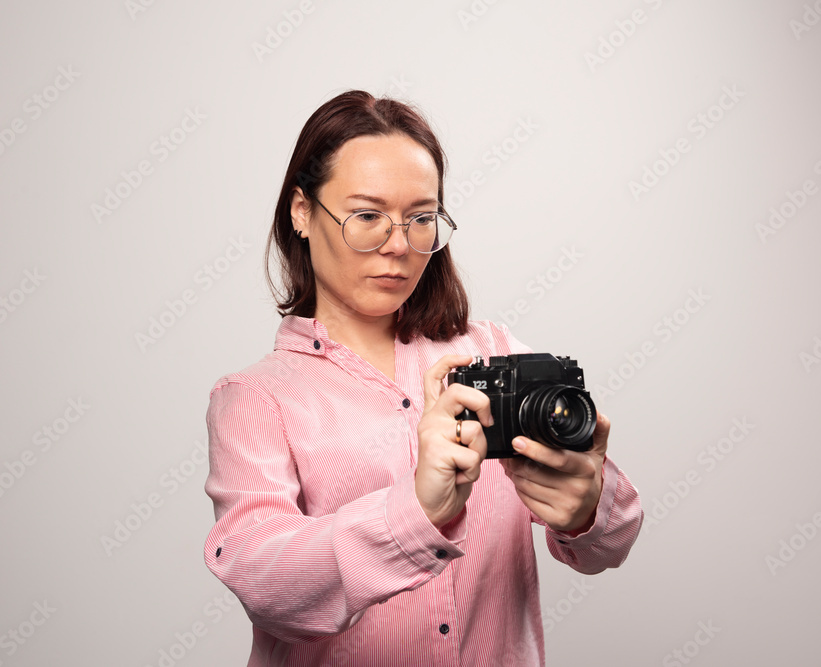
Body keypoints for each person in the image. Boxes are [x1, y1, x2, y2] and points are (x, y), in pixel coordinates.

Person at [203, 89, 643, 666]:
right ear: (302, 211)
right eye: (367, 216)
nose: (399, 246)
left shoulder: (494, 353)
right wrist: (416, 512)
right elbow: (266, 586)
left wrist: (588, 505)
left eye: (420, 219)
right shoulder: (255, 398)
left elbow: (608, 545)